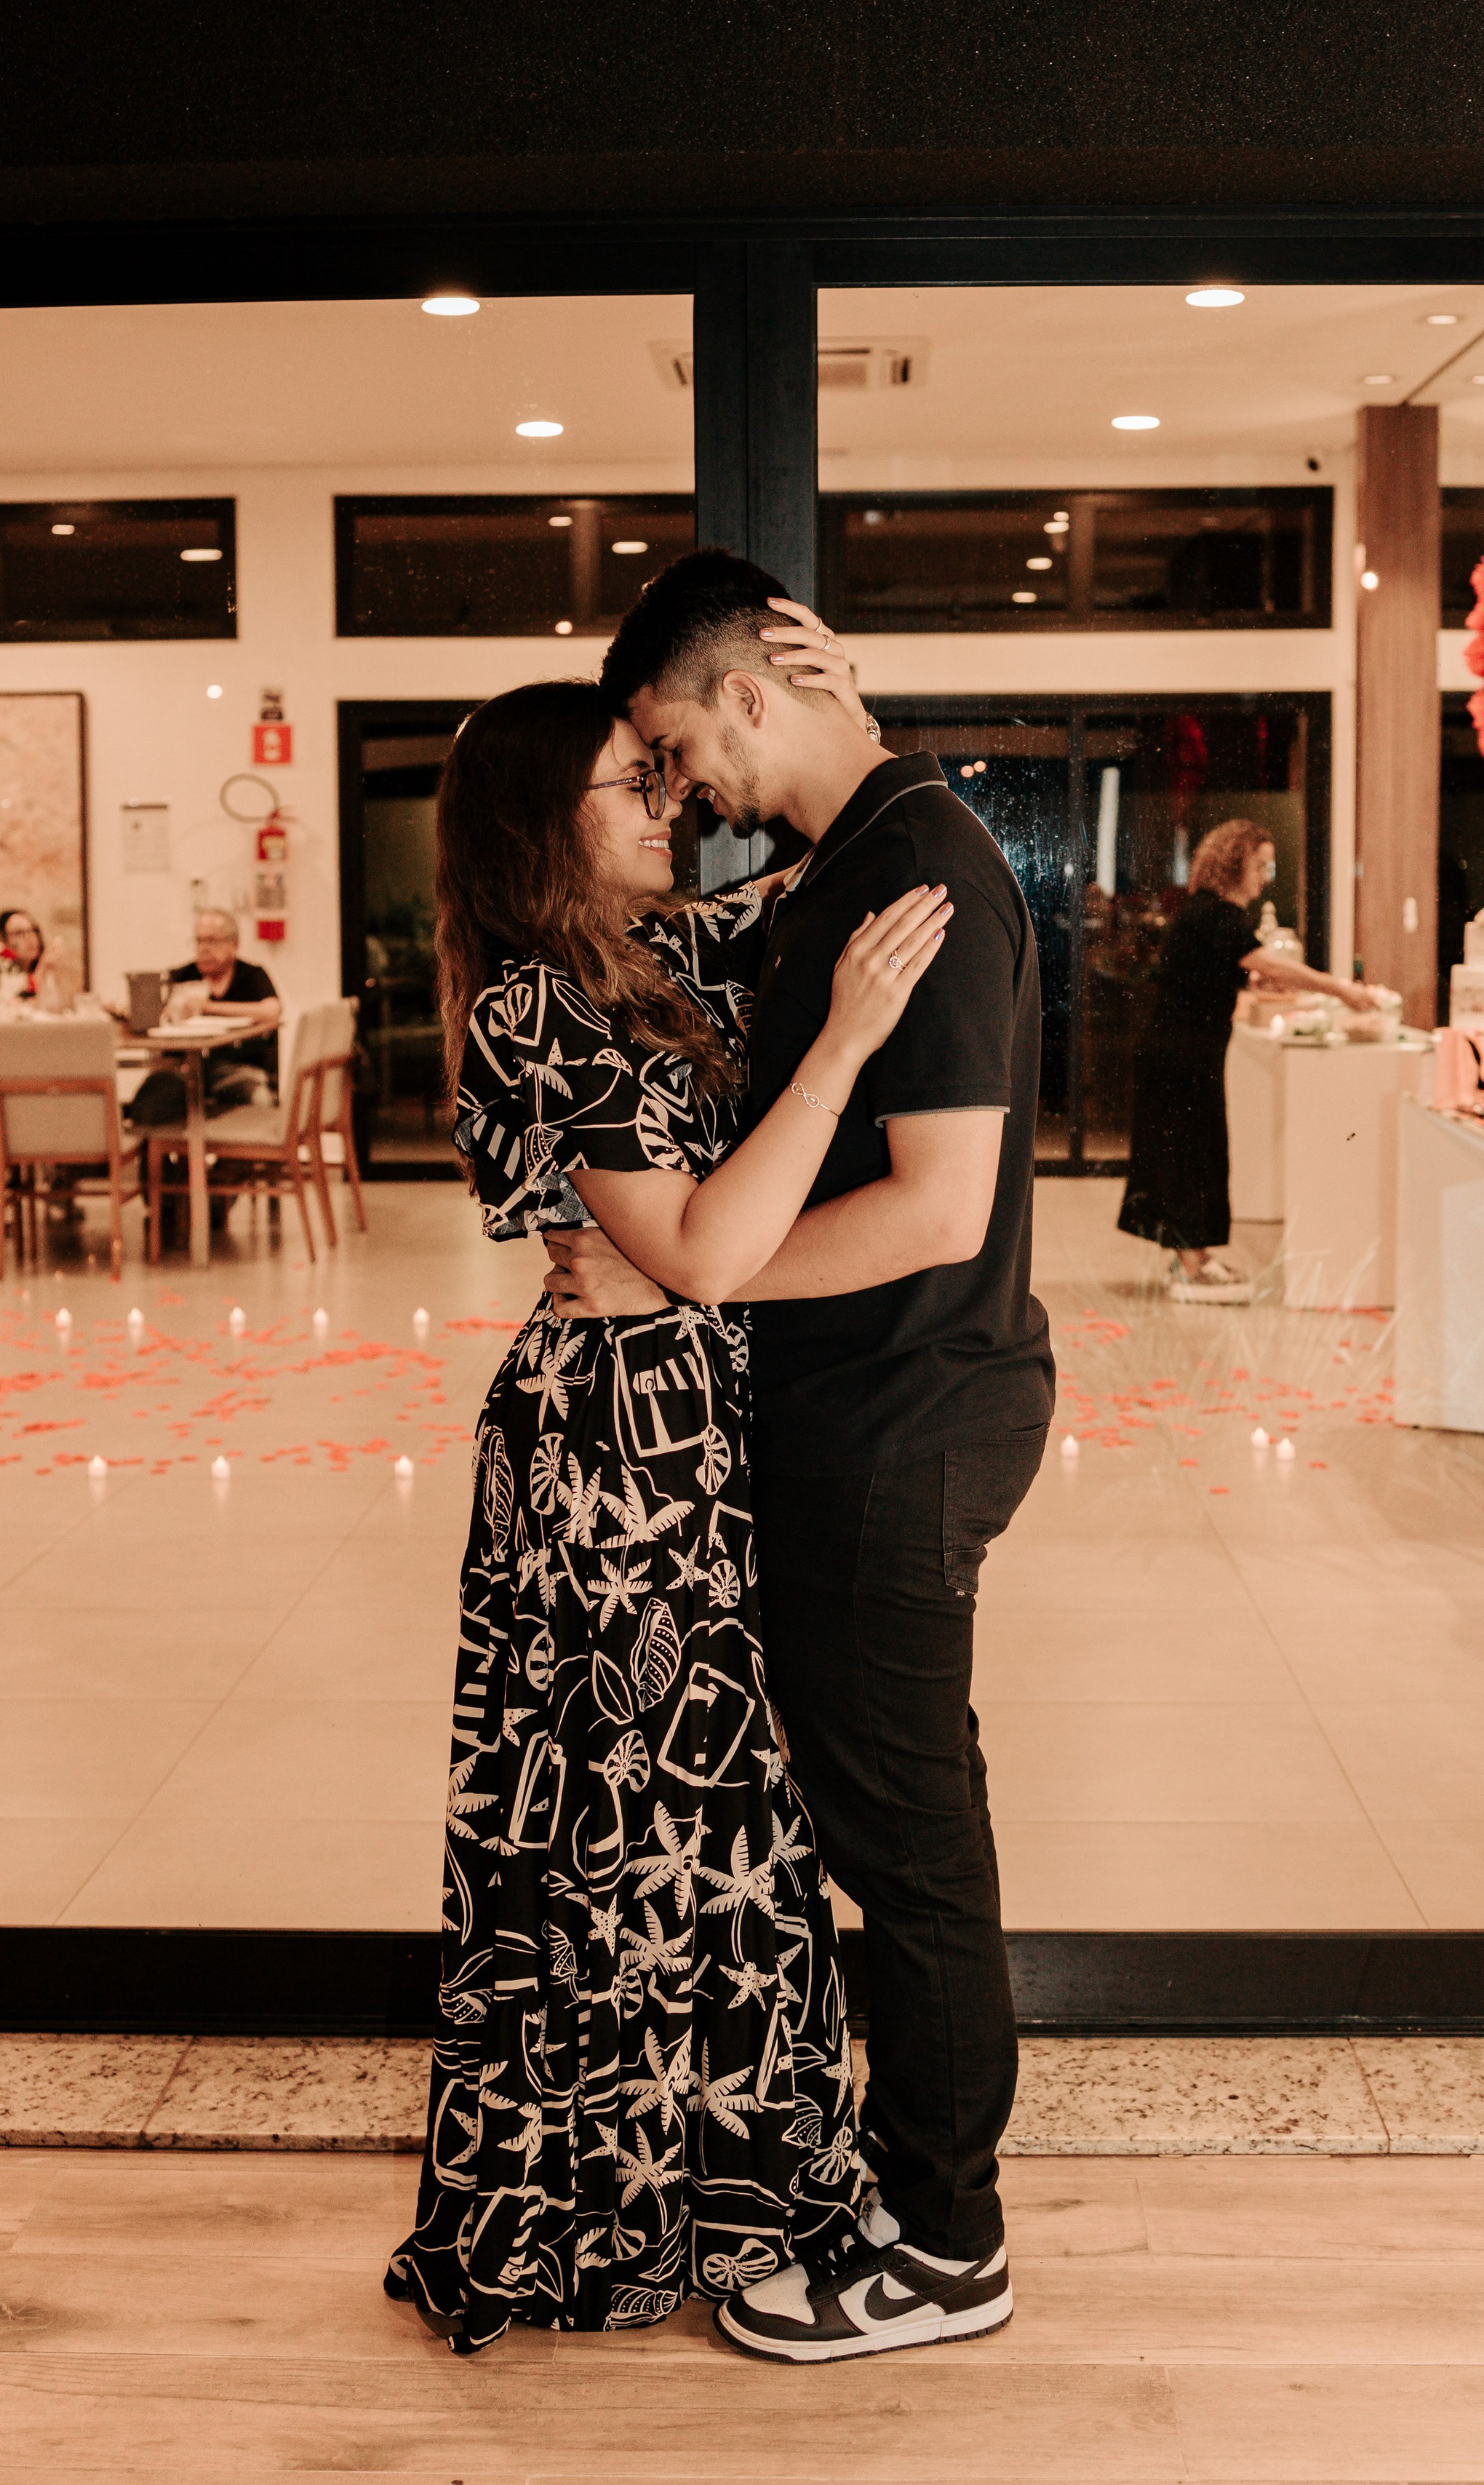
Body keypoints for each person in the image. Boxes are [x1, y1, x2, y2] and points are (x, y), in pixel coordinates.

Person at [384, 677, 952, 2352]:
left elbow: (826, 856)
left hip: (677, 1430)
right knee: (626, 1831)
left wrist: (837, 745)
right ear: (533, 820)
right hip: (602, 1456)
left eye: (666, 773)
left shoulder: (650, 962)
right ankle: (607, 2214)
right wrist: (844, 1042)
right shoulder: (531, 1007)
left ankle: (714, 2196)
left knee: (706, 1826)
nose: (669, 804)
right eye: (630, 784)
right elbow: (699, 1249)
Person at [554, 549, 1057, 2366]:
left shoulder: (915, 864)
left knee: (907, 1839)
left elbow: (935, 1207)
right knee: (887, 1821)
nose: (673, 778)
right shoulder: (860, 853)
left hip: (905, 1407)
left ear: (745, 694)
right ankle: (921, 2195)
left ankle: (947, 2239)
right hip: (866, 1403)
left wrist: (687, 1257)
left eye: (675, 735)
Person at [1118, 819, 1381, 1304]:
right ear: (1234, 863)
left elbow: (1213, 973)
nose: (1266, 877)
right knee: (1194, 1153)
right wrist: (1341, 988)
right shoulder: (1219, 915)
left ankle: (1190, 1254)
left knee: (1188, 1153)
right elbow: (1273, 963)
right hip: (1183, 1055)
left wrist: (1250, 983)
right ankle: (1194, 1261)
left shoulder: (1207, 913)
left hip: (1178, 1051)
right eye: (1260, 865)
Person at [126, 910, 282, 1127]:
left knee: (259, 1098)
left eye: (212, 941)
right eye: (199, 941)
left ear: (234, 944)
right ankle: (155, 1159)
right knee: (151, 1096)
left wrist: (208, 1007)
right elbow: (154, 1012)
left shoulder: (251, 975)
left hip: (237, 1070)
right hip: (185, 1070)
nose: (203, 949)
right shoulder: (181, 977)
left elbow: (272, 1011)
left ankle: (253, 1160)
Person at [0, 907, 44, 1006]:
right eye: (19, 933)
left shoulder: (40, 973)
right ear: (2, 940)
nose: (30, 937)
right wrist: (42, 970)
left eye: (33, 930)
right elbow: (15, 1013)